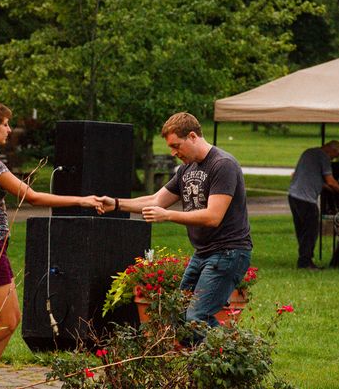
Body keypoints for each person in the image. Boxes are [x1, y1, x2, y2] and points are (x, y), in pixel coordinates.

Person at [0, 99, 102, 389]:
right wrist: (81, 200)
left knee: (10, 320)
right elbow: (31, 197)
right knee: (7, 322)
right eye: (6, 124)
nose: (9, 129)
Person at [99, 112, 252, 330]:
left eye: (176, 145)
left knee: (197, 317)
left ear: (192, 136)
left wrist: (168, 215)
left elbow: (212, 216)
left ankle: (232, 356)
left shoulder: (222, 165)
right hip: (204, 253)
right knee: (178, 314)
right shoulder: (186, 170)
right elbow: (155, 200)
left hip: (229, 252)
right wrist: (115, 204)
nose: (173, 152)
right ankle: (202, 360)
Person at [288, 140, 339, 270]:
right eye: (334, 156)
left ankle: (304, 258)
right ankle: (305, 262)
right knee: (311, 230)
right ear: (332, 150)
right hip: (306, 199)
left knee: (302, 229)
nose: (333, 159)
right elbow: (330, 181)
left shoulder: (308, 152)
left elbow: (310, 176)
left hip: (293, 196)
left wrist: (327, 187)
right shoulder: (323, 157)